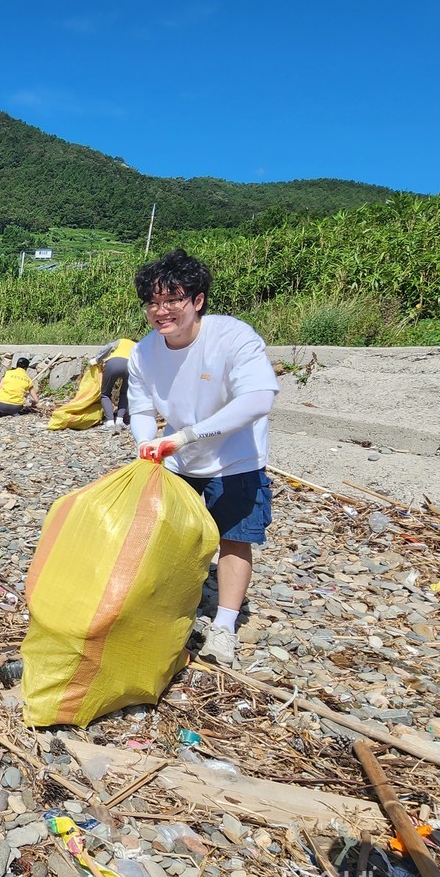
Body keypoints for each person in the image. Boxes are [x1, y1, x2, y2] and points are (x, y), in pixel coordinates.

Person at [126, 249, 278, 667]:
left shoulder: (231, 337)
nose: (161, 311)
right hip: (176, 459)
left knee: (234, 538)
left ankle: (225, 626)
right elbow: (139, 409)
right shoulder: (143, 353)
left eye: (172, 300)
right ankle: (176, 610)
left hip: (236, 459)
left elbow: (259, 399)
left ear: (197, 300)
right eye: (153, 303)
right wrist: (147, 444)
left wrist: (187, 435)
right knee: (173, 536)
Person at [91, 338, 134, 430]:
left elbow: (110, 346)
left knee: (105, 393)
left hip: (114, 363)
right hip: (131, 366)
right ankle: (120, 421)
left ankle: (109, 422)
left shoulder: (123, 340)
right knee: (125, 393)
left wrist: (98, 358)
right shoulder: (139, 345)